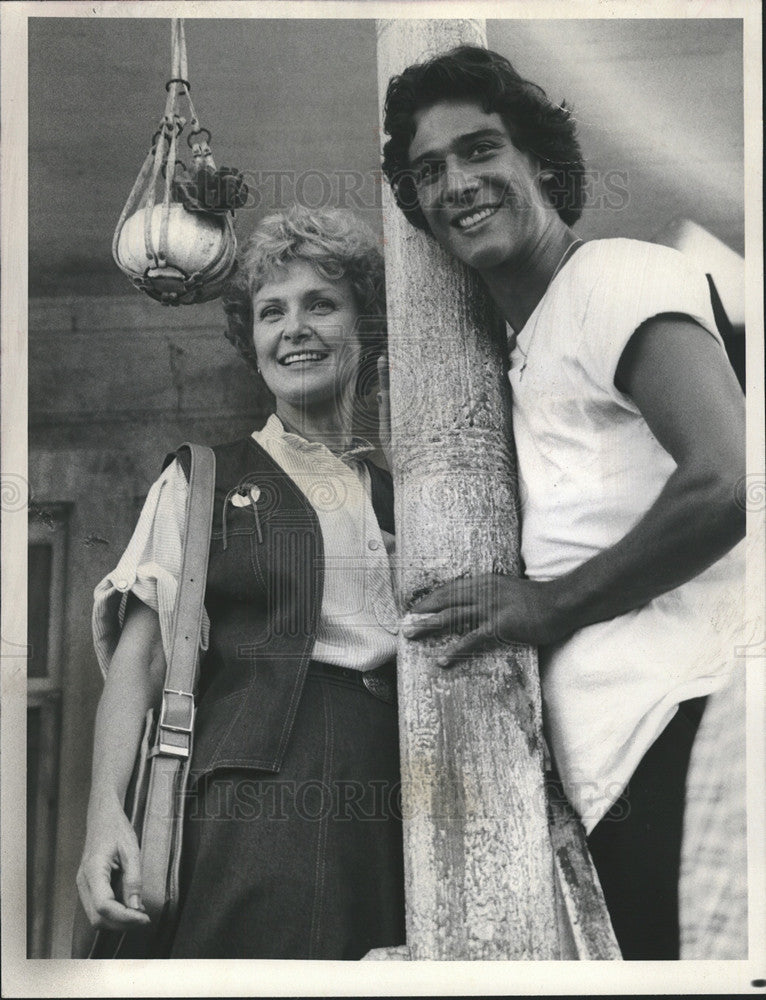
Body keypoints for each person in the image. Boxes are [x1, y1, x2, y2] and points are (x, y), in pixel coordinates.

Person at [381, 45, 746, 960]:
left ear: (542, 162)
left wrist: (550, 605)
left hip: (689, 723)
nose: (457, 183)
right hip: (627, 768)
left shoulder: (617, 278)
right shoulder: (532, 342)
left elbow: (730, 480)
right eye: (430, 171)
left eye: (480, 150)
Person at [76, 206, 405, 959]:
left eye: (321, 304)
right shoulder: (205, 477)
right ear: (249, 339)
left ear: (366, 326)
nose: (294, 328)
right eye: (271, 312)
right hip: (254, 791)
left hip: (395, 785)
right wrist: (104, 817)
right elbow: (143, 659)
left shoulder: (413, 490)